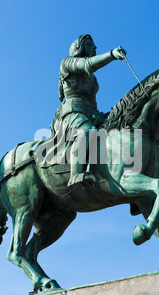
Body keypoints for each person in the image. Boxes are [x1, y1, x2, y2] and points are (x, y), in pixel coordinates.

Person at [52, 34, 126, 189]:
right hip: (71, 113)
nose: (95, 48)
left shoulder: (92, 78)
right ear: (79, 47)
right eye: (91, 45)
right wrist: (111, 54)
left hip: (91, 113)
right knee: (87, 131)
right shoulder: (67, 63)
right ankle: (75, 175)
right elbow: (88, 64)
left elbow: (93, 100)